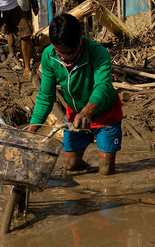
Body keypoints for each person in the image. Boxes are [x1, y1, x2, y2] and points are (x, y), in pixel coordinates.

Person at [27, 14, 123, 175]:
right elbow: (46, 96)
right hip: (75, 115)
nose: (65, 58)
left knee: (106, 171)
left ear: (80, 39)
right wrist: (31, 130)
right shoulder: (49, 56)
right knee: (70, 166)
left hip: (105, 113)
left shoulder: (98, 53)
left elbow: (103, 86)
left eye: (70, 53)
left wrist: (87, 111)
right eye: (60, 52)